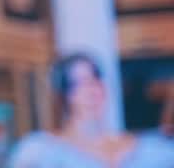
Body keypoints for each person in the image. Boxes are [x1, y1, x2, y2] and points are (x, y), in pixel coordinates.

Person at [9, 53, 174, 167]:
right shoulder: (41, 150)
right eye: (80, 83)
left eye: (96, 78)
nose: (92, 89)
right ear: (64, 95)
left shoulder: (148, 147)